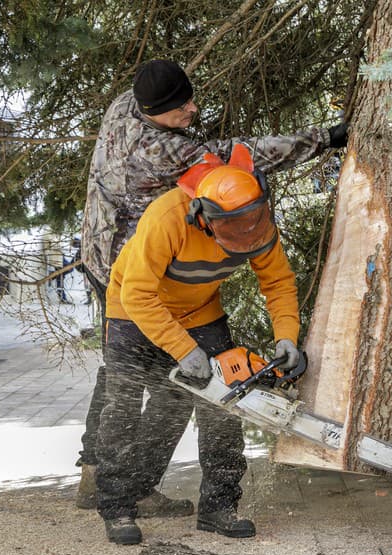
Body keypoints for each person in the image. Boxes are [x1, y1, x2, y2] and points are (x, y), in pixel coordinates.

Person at [75, 58, 348, 513]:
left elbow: (278, 280)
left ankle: (99, 477)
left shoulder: (127, 105)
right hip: (135, 269)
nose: (193, 110)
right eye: (181, 108)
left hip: (103, 253)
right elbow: (244, 157)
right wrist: (324, 138)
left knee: (127, 378)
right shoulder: (161, 149)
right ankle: (117, 486)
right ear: (155, 111)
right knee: (149, 381)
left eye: (189, 99)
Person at [98, 145, 301, 544]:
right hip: (132, 311)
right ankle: (118, 507)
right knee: (122, 405)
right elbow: (139, 294)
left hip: (201, 311)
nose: (243, 235)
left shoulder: (257, 224)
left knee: (223, 407)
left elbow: (277, 281)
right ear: (202, 215)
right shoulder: (168, 217)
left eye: (250, 222)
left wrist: (287, 337)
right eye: (231, 228)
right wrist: (182, 348)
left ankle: (219, 506)